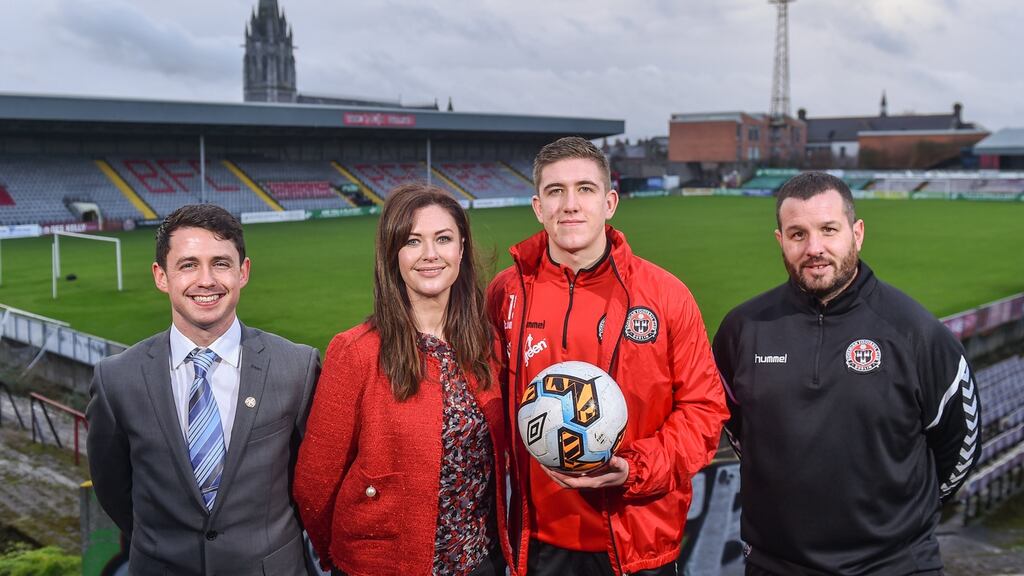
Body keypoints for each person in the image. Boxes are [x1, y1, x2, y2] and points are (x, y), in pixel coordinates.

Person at [712, 172, 981, 575]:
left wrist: (900, 518)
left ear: (857, 233)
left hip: (895, 565)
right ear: (780, 240)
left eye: (828, 230)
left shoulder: (916, 332)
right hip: (777, 565)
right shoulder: (743, 329)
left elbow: (961, 445)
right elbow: (733, 426)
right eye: (797, 234)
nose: (814, 248)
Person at [486, 136, 729, 576]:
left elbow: (705, 411)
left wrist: (633, 469)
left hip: (640, 546)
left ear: (610, 202)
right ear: (538, 207)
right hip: (537, 546)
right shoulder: (505, 293)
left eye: (585, 188)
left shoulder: (666, 296)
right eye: (555, 191)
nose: (570, 204)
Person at [86, 204, 320, 575]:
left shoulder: (297, 367)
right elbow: (113, 489)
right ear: (161, 276)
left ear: (243, 272)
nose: (206, 280)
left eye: (221, 263)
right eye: (188, 264)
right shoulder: (117, 379)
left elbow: (314, 485)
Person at [293, 183, 512, 576]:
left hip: (481, 563)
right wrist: (349, 558)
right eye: (412, 241)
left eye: (443, 239)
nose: (430, 254)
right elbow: (314, 485)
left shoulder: (487, 344)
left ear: (461, 249)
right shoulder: (355, 351)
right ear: (394, 254)